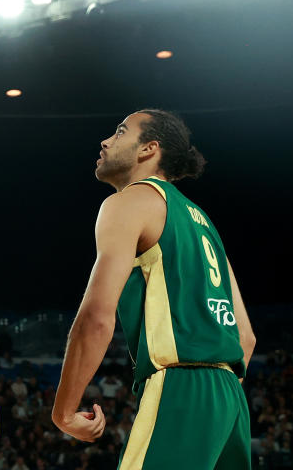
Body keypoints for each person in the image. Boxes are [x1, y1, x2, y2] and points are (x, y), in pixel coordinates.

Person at [51, 110, 257, 469]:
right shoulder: (203, 221)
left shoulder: (129, 202)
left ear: (149, 149)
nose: (105, 141)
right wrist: (214, 396)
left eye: (120, 132)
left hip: (181, 386)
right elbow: (246, 337)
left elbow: (97, 317)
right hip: (230, 398)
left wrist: (64, 412)